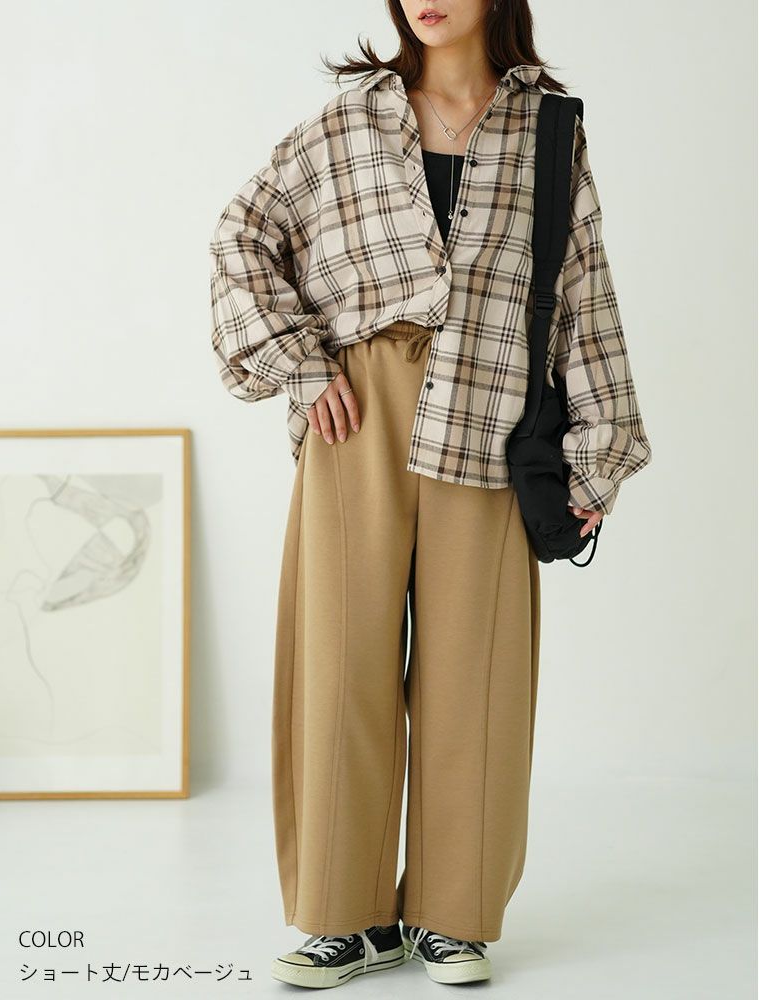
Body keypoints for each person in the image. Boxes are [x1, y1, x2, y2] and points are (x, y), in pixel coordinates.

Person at [209, 0, 652, 990]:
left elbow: (583, 293)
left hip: (491, 413)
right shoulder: (347, 120)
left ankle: (453, 915)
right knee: (339, 664)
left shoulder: (548, 130)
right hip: (356, 414)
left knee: (474, 674)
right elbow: (242, 236)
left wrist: (598, 450)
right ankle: (343, 917)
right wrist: (299, 364)